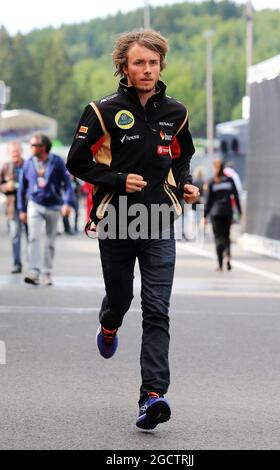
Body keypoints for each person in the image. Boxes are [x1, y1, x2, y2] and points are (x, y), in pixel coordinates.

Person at [66, 29, 199, 430]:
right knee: (121, 298)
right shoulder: (102, 110)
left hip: (159, 220)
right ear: (123, 66)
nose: (146, 69)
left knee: (157, 309)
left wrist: (187, 182)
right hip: (117, 220)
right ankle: (109, 323)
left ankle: (153, 396)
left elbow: (181, 156)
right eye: (138, 62)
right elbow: (77, 162)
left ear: (161, 66)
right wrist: (118, 180)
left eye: (153, 63)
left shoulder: (176, 112)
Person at [18, 134, 74, 286]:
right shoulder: (29, 163)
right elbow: (22, 188)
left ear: (43, 147)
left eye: (33, 145)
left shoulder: (56, 162)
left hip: (54, 205)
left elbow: (68, 184)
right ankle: (34, 271)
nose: (31, 148)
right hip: (35, 204)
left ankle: (47, 273)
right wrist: (21, 209)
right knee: (34, 237)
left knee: (50, 241)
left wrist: (68, 203)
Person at [204, 158, 242, 272]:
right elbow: (235, 196)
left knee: (218, 238)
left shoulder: (211, 181)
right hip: (227, 212)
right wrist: (240, 211)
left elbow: (208, 201)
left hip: (215, 213)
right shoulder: (229, 180)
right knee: (226, 236)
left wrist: (204, 216)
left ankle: (220, 265)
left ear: (214, 168)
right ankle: (228, 256)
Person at [0, 142, 26, 273]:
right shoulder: (5, 166)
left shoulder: (28, 164)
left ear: (21, 151)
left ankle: (33, 265)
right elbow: (0, 185)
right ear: (10, 153)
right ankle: (17, 263)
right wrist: (6, 187)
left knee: (31, 236)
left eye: (17, 151)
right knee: (15, 235)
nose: (15, 154)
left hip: (27, 205)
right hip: (12, 206)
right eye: (13, 152)